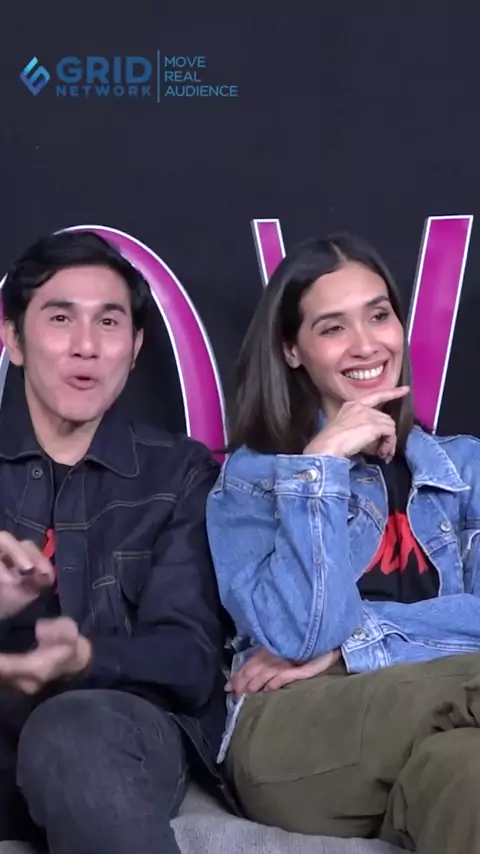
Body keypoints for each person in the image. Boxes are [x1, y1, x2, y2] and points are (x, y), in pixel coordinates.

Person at [206, 232, 480, 854]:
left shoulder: (464, 469)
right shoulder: (253, 478)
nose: (366, 344)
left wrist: (353, 645)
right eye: (332, 328)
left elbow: (331, 643)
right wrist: (322, 465)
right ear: (292, 350)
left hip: (438, 725)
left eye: (379, 316)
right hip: (296, 731)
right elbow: (301, 637)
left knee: (469, 777)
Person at [0, 229, 226, 854]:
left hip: (114, 733)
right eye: (60, 318)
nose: (86, 345)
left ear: (135, 346)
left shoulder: (177, 473)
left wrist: (84, 658)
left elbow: (189, 660)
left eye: (108, 322)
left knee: (71, 727)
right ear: (12, 338)